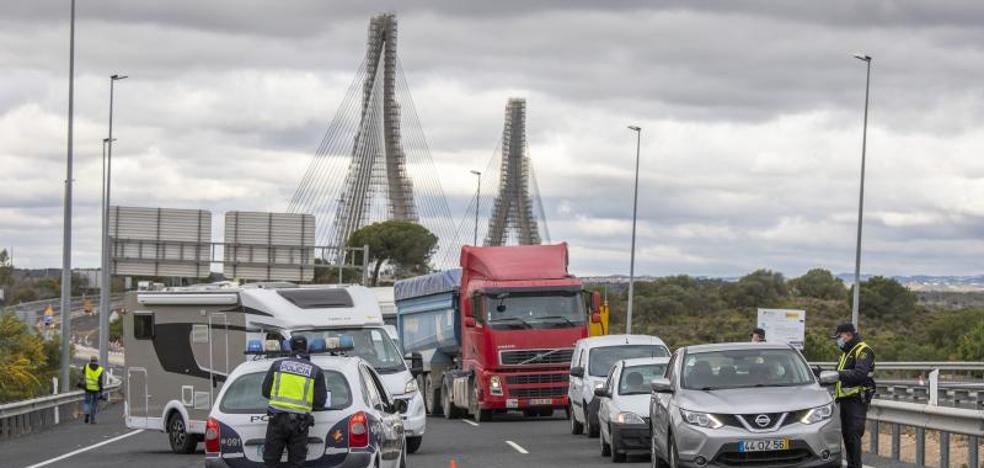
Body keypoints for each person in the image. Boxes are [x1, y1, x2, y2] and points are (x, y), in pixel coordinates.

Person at [261, 335, 328, 468]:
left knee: (270, 462)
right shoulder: (315, 371)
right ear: (306, 348)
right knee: (296, 464)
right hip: (299, 424)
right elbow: (320, 402)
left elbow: (265, 391)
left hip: (276, 421)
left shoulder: (277, 365)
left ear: (290, 347)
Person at [832, 322, 875, 468]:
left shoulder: (863, 350)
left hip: (856, 400)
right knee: (848, 437)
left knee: (853, 436)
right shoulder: (846, 353)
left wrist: (836, 374)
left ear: (848, 334)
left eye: (839, 337)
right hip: (845, 400)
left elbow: (859, 374)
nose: (839, 340)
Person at [80, 356, 104, 424]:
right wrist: (101, 391)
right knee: (94, 404)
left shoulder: (86, 366)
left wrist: (81, 383)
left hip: (88, 388)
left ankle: (87, 414)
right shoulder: (100, 369)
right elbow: (100, 381)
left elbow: (83, 375)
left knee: (87, 402)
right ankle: (92, 420)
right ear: (97, 361)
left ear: (90, 360)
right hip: (96, 389)